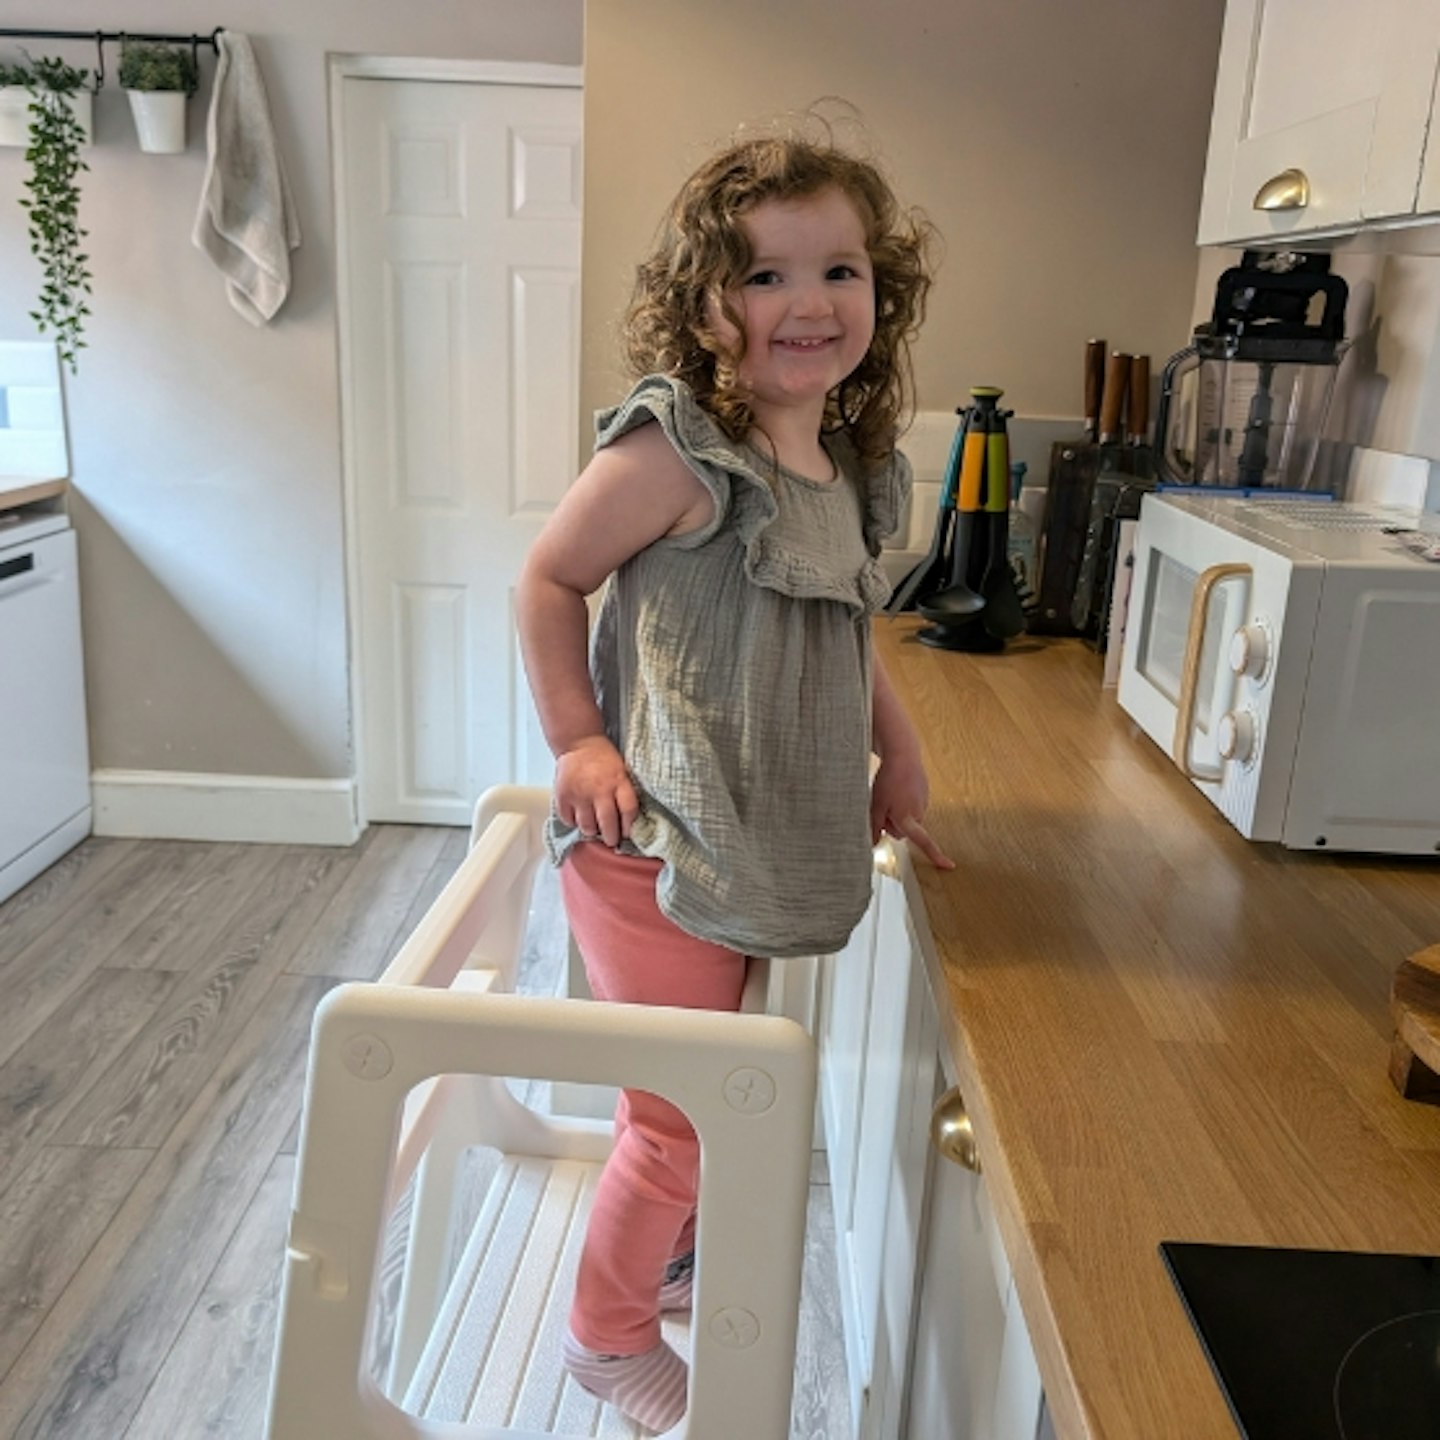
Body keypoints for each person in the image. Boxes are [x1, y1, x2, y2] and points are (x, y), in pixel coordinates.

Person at [515, 124, 953, 1434]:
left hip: (753, 831)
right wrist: (576, 740)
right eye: (764, 277)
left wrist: (901, 747)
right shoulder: (678, 454)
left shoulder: (854, 467)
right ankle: (602, 1338)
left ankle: (674, 1250)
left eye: (841, 270)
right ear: (702, 303)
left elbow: (839, 623)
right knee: (683, 1116)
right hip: (653, 842)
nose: (809, 304)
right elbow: (547, 579)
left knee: (707, 1094)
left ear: (884, 291)